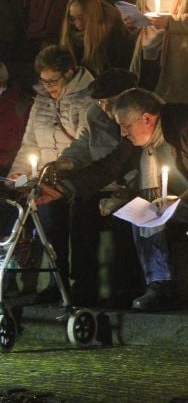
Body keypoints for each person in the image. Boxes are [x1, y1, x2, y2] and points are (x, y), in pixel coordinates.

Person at [43, 88, 188, 317]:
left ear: (146, 118)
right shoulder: (138, 139)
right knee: (142, 207)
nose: (122, 133)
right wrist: (64, 189)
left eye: (126, 126)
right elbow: (110, 165)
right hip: (184, 197)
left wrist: (180, 203)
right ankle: (159, 284)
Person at [8, 45, 93, 302]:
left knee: (79, 225)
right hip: (45, 179)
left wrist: (61, 171)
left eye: (53, 81)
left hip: (76, 177)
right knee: (47, 224)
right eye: (43, 81)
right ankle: (56, 282)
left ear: (69, 72)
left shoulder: (88, 99)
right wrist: (18, 172)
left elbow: (86, 143)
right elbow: (30, 142)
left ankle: (82, 284)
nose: (48, 87)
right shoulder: (42, 100)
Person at [48, 68, 140, 306]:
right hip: (104, 180)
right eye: (100, 102)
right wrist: (64, 163)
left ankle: (126, 288)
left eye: (107, 102)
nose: (103, 107)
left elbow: (125, 159)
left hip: (137, 184)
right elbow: (84, 143)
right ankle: (84, 284)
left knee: (125, 215)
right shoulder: (96, 115)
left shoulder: (141, 114)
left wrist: (127, 191)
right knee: (80, 207)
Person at [59, 0, 133, 75]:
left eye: (82, 18)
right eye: (73, 18)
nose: (78, 23)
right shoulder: (71, 36)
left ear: (93, 16)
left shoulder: (114, 37)